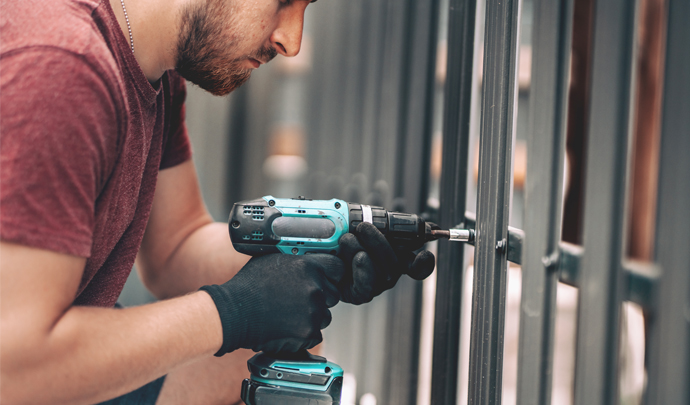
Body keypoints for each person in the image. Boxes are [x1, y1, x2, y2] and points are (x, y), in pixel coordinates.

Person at [0, 0, 436, 403]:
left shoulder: (156, 70)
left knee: (254, 366)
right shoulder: (63, 69)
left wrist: (317, 257)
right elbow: (15, 365)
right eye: (283, 2)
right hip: (24, 368)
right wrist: (234, 310)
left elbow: (175, 247)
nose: (291, 40)